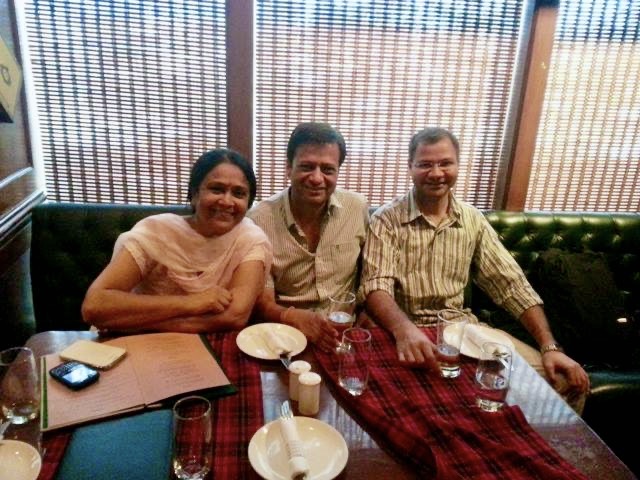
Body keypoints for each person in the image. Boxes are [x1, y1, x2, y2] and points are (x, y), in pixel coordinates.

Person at [360, 127, 589, 405]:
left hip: (464, 331)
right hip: (405, 330)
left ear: (457, 165)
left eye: (445, 163)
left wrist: (549, 346)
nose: (436, 173)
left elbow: (511, 285)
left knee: (565, 381)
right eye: (425, 164)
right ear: (410, 167)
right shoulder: (386, 220)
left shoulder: (472, 220)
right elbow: (376, 285)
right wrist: (404, 330)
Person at [82, 148, 272, 333]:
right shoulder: (156, 233)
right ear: (195, 194)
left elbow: (234, 316)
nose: (226, 201)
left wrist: (131, 324)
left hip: (202, 347)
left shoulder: (250, 239)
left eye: (239, 193)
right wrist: (191, 302)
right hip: (135, 346)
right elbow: (95, 306)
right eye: (216, 189)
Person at [248, 122, 369, 351]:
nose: (316, 178)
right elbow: (261, 299)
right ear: (288, 168)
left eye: (327, 169)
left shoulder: (357, 207)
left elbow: (369, 272)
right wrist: (292, 316)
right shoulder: (259, 219)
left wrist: (367, 311)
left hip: (344, 334)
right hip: (285, 335)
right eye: (306, 167)